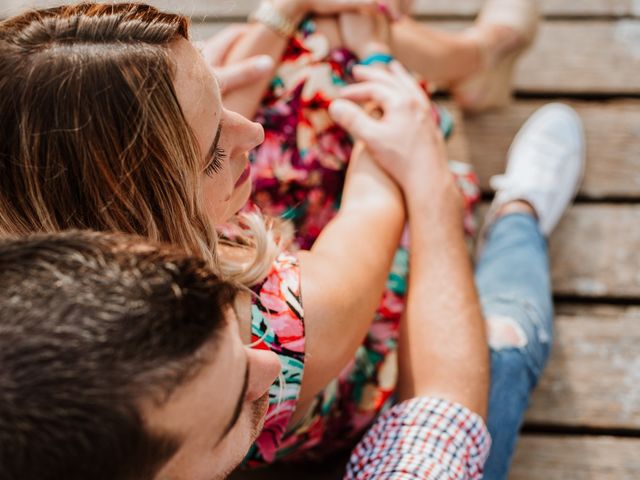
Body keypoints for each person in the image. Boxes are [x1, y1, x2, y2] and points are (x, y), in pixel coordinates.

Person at [0, 2, 585, 478]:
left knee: (301, 51)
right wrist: (384, 75)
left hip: (245, 252)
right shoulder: (251, 341)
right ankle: (515, 207)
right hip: (353, 349)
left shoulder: (45, 260)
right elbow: (376, 210)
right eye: (208, 153)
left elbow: (197, 121)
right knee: (495, 336)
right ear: (129, 203)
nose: (248, 130)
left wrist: (283, 13)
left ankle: (471, 59)